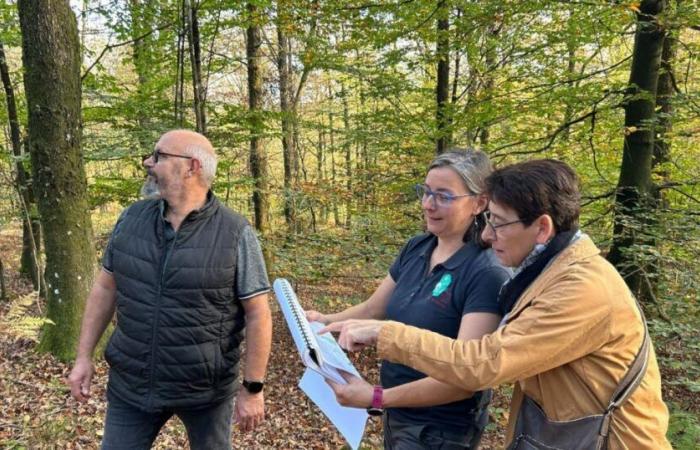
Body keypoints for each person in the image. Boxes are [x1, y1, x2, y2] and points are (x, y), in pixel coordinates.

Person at [324, 159, 671, 449]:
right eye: (489, 220)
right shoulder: (549, 274)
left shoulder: (580, 288)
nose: (487, 236)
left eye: (499, 223)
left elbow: (482, 364)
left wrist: (385, 335)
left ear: (542, 228)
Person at [67, 130, 273, 450]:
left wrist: (253, 388)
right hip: (131, 386)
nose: (148, 163)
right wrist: (83, 357)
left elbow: (258, 313)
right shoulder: (131, 219)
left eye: (159, 156)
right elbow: (105, 288)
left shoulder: (235, 233)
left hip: (205, 393)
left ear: (191, 167)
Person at [307, 150, 510, 449]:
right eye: (426, 192)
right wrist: (324, 320)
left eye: (443, 196)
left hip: (441, 428)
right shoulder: (417, 247)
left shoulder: (486, 272)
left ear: (479, 203)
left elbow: (465, 378)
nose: (428, 204)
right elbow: (373, 308)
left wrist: (377, 397)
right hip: (399, 413)